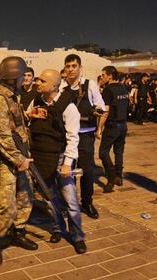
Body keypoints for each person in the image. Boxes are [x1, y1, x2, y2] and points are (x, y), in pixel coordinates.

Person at [27, 69, 87, 254]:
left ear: (54, 85)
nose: (37, 83)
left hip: (60, 159)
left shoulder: (68, 108)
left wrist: (68, 163)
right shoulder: (35, 101)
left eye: (42, 81)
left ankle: (77, 236)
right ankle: (57, 228)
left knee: (70, 202)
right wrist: (29, 116)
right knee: (49, 199)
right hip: (40, 158)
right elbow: (27, 124)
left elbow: (73, 138)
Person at [0, 56, 37, 265]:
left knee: (26, 197)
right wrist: (19, 160)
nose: (25, 80)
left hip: (20, 156)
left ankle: (18, 232)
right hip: (9, 160)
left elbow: (15, 127)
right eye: (22, 76)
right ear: (14, 77)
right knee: (6, 203)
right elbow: (3, 137)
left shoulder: (13, 96)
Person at [61, 54, 106, 219]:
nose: (71, 69)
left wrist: (97, 111)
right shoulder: (61, 87)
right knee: (68, 172)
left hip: (86, 135)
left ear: (80, 67)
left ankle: (87, 203)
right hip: (67, 137)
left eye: (74, 66)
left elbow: (100, 104)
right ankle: (69, 204)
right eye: (68, 66)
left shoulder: (90, 84)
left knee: (87, 171)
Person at [97, 66, 129, 193]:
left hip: (112, 125)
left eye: (103, 74)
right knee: (118, 152)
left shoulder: (108, 90)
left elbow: (106, 111)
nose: (102, 77)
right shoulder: (123, 88)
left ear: (110, 76)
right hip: (123, 125)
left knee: (103, 152)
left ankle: (110, 179)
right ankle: (118, 176)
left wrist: (99, 128)